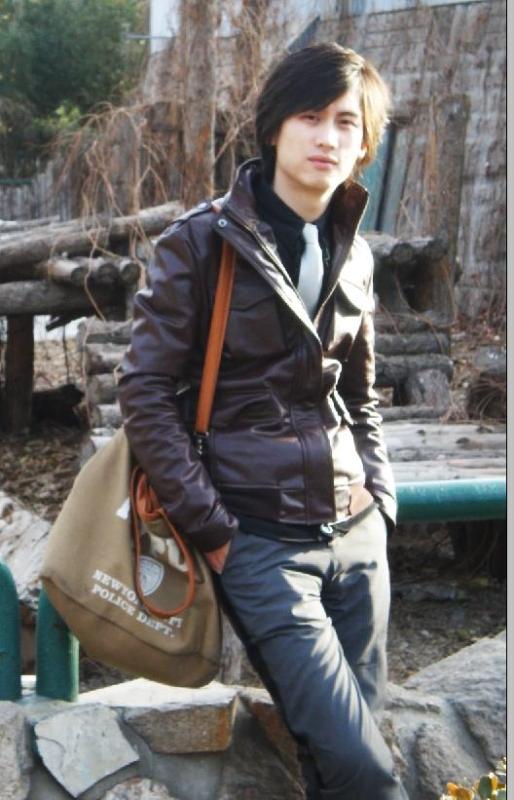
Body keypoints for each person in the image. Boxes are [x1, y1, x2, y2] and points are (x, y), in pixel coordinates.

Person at [119, 42, 409, 800]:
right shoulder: (201, 242)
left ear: (365, 143)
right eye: (310, 117)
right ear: (274, 126)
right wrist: (215, 530)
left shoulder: (356, 255)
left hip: (357, 536)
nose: (328, 137)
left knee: (335, 765)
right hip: (259, 541)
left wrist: (381, 500)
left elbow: (361, 396)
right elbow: (144, 390)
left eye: (346, 122)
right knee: (365, 770)